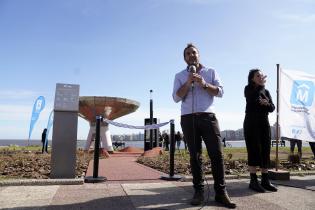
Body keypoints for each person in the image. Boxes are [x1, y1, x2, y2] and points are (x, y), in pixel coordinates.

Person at [172, 43, 236, 208]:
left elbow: (220, 92)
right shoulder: (179, 75)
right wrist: (188, 83)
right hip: (188, 118)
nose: (191, 55)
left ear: (198, 55)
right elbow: (176, 97)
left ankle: (221, 193)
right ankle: (198, 192)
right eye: (187, 54)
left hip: (208, 117)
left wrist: (204, 83)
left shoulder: (211, 72)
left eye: (194, 52)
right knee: (195, 156)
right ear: (184, 58)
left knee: (217, 154)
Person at [243, 69, 277, 193]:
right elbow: (252, 99)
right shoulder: (248, 88)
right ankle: (253, 181)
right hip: (251, 123)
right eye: (258, 75)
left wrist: (266, 103)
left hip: (264, 123)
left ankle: (265, 180)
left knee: (265, 150)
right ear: (252, 78)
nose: (261, 77)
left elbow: (272, 107)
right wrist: (259, 88)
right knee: (253, 150)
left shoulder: (266, 91)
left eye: (262, 75)